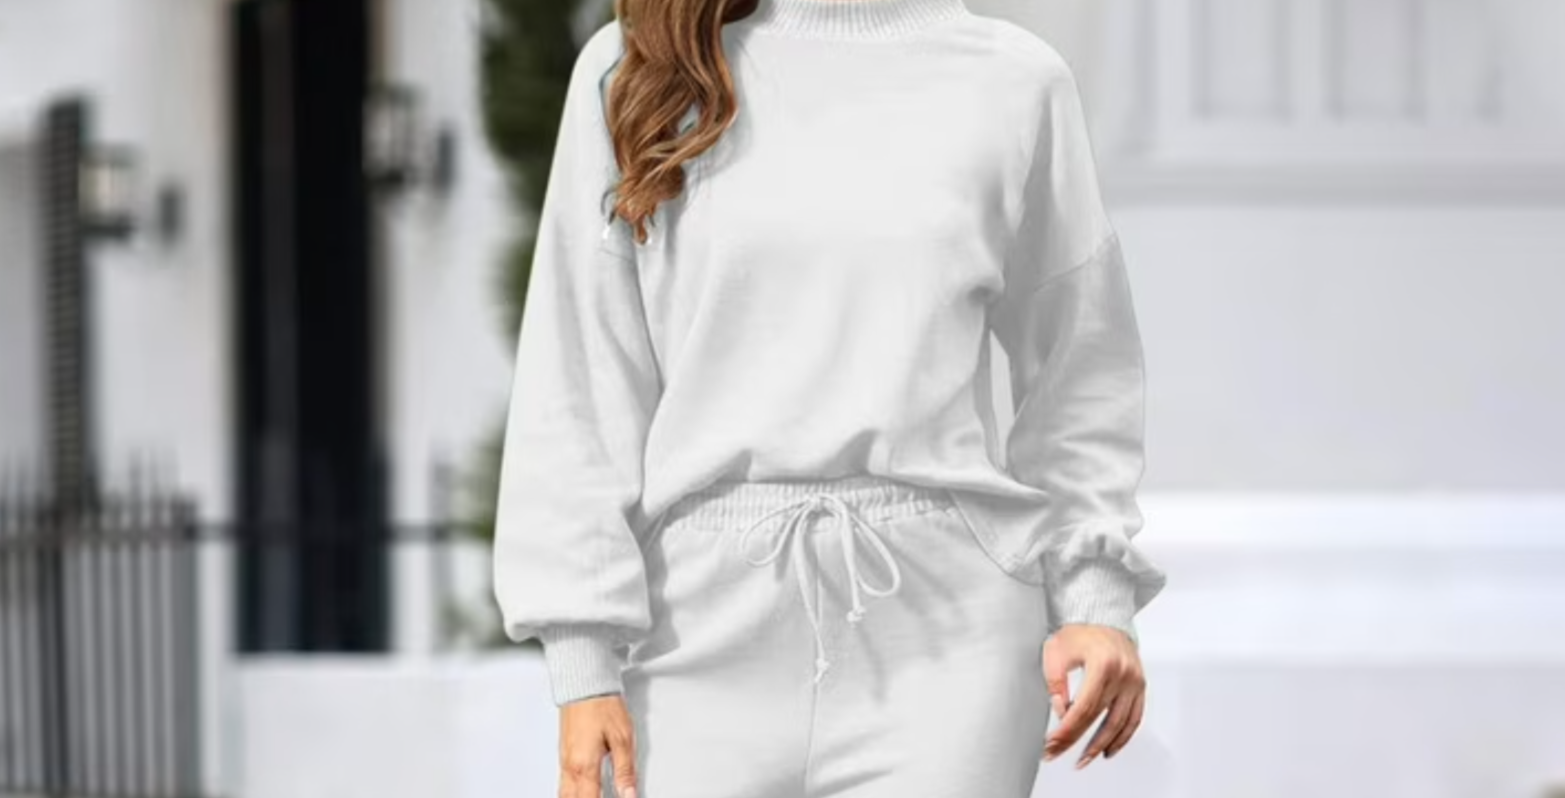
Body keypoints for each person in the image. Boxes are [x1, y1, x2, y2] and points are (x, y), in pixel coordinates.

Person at [491, 0, 1170, 795]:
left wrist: (1094, 598)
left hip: (949, 650)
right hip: (688, 636)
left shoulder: (1015, 80)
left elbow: (1080, 367)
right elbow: (577, 375)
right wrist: (582, 659)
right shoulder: (636, 66)